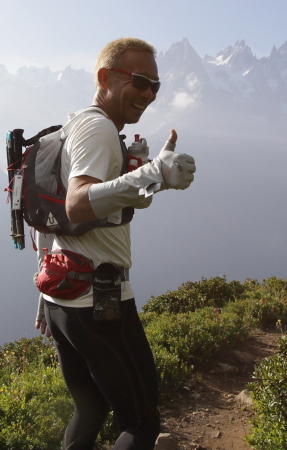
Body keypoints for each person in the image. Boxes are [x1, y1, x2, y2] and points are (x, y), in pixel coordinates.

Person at [34, 37, 196, 449]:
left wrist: (152, 179)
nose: (148, 94)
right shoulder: (99, 129)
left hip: (63, 297)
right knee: (140, 424)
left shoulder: (76, 124)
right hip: (99, 300)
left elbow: (59, 213)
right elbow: (76, 205)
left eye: (155, 86)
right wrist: (152, 174)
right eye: (140, 81)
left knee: (91, 409)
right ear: (105, 77)